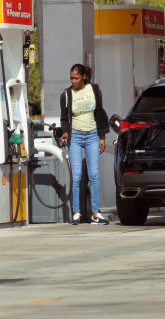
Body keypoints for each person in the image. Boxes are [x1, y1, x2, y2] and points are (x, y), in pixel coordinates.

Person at [59, 63, 110, 225]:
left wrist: (102, 136)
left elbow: (99, 112)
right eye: (71, 78)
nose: (73, 81)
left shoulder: (94, 90)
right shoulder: (66, 95)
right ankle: (77, 213)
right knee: (76, 176)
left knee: (94, 175)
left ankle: (96, 214)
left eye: (76, 78)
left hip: (92, 135)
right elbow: (64, 118)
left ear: (84, 77)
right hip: (75, 137)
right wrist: (65, 132)